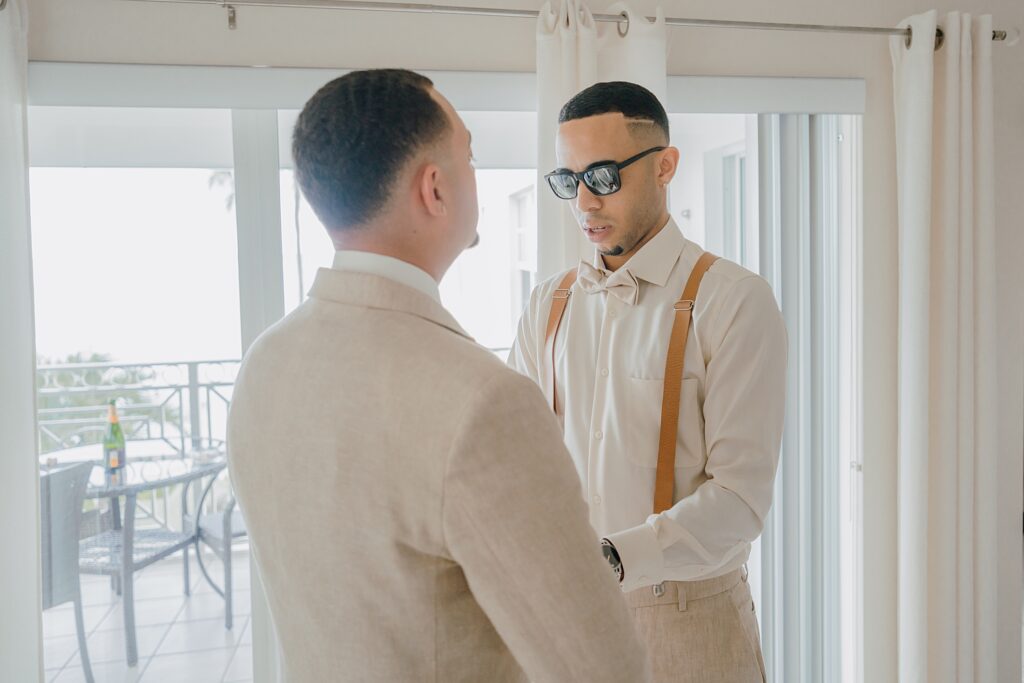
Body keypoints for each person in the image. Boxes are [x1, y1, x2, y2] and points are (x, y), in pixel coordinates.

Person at [226, 69, 650, 683]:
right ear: (434, 189)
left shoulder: (263, 365)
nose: (475, 176)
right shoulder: (483, 402)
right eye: (469, 158)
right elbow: (601, 667)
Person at [509, 81, 787, 683]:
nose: (584, 202)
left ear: (665, 166)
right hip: (568, 623)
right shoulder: (546, 305)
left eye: (604, 176)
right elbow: (515, 459)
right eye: (568, 180)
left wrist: (612, 559)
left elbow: (740, 500)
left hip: (692, 621)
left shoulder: (734, 301)